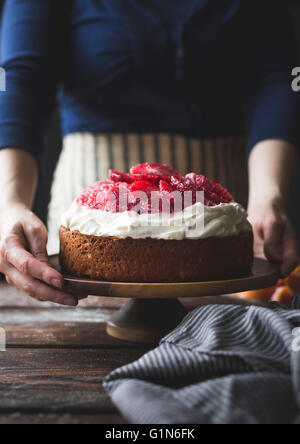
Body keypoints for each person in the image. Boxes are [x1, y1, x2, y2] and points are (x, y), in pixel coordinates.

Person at [0, 0, 299, 307]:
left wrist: (268, 198)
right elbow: (20, 77)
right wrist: (9, 202)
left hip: (220, 220)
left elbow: (279, 79)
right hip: (96, 215)